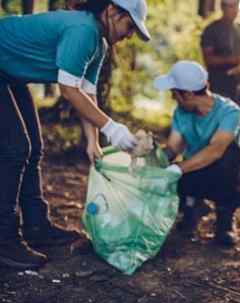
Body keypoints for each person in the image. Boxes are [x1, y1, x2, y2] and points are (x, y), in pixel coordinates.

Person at [0, 0, 150, 270]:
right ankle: (4, 240)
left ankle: (37, 226)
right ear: (112, 11)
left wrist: (93, 140)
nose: (129, 35)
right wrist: (111, 128)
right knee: (15, 148)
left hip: (10, 73)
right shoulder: (82, 29)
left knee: (33, 148)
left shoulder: (100, 43)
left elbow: (87, 93)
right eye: (130, 26)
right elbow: (68, 90)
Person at [154, 61, 240, 247]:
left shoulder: (230, 111)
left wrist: (177, 168)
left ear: (188, 94)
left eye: (174, 93)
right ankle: (193, 208)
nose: (172, 97)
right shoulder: (181, 112)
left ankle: (224, 220)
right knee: (170, 177)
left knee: (230, 155)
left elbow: (216, 150)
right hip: (192, 171)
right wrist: (150, 157)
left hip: (220, 173)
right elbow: (173, 148)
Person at [200, 0, 240, 148]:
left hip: (238, 89)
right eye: (229, 5)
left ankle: (235, 164)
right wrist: (235, 60)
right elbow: (209, 60)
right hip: (218, 88)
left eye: (235, 5)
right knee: (217, 130)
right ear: (223, 6)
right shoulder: (211, 30)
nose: (233, 9)